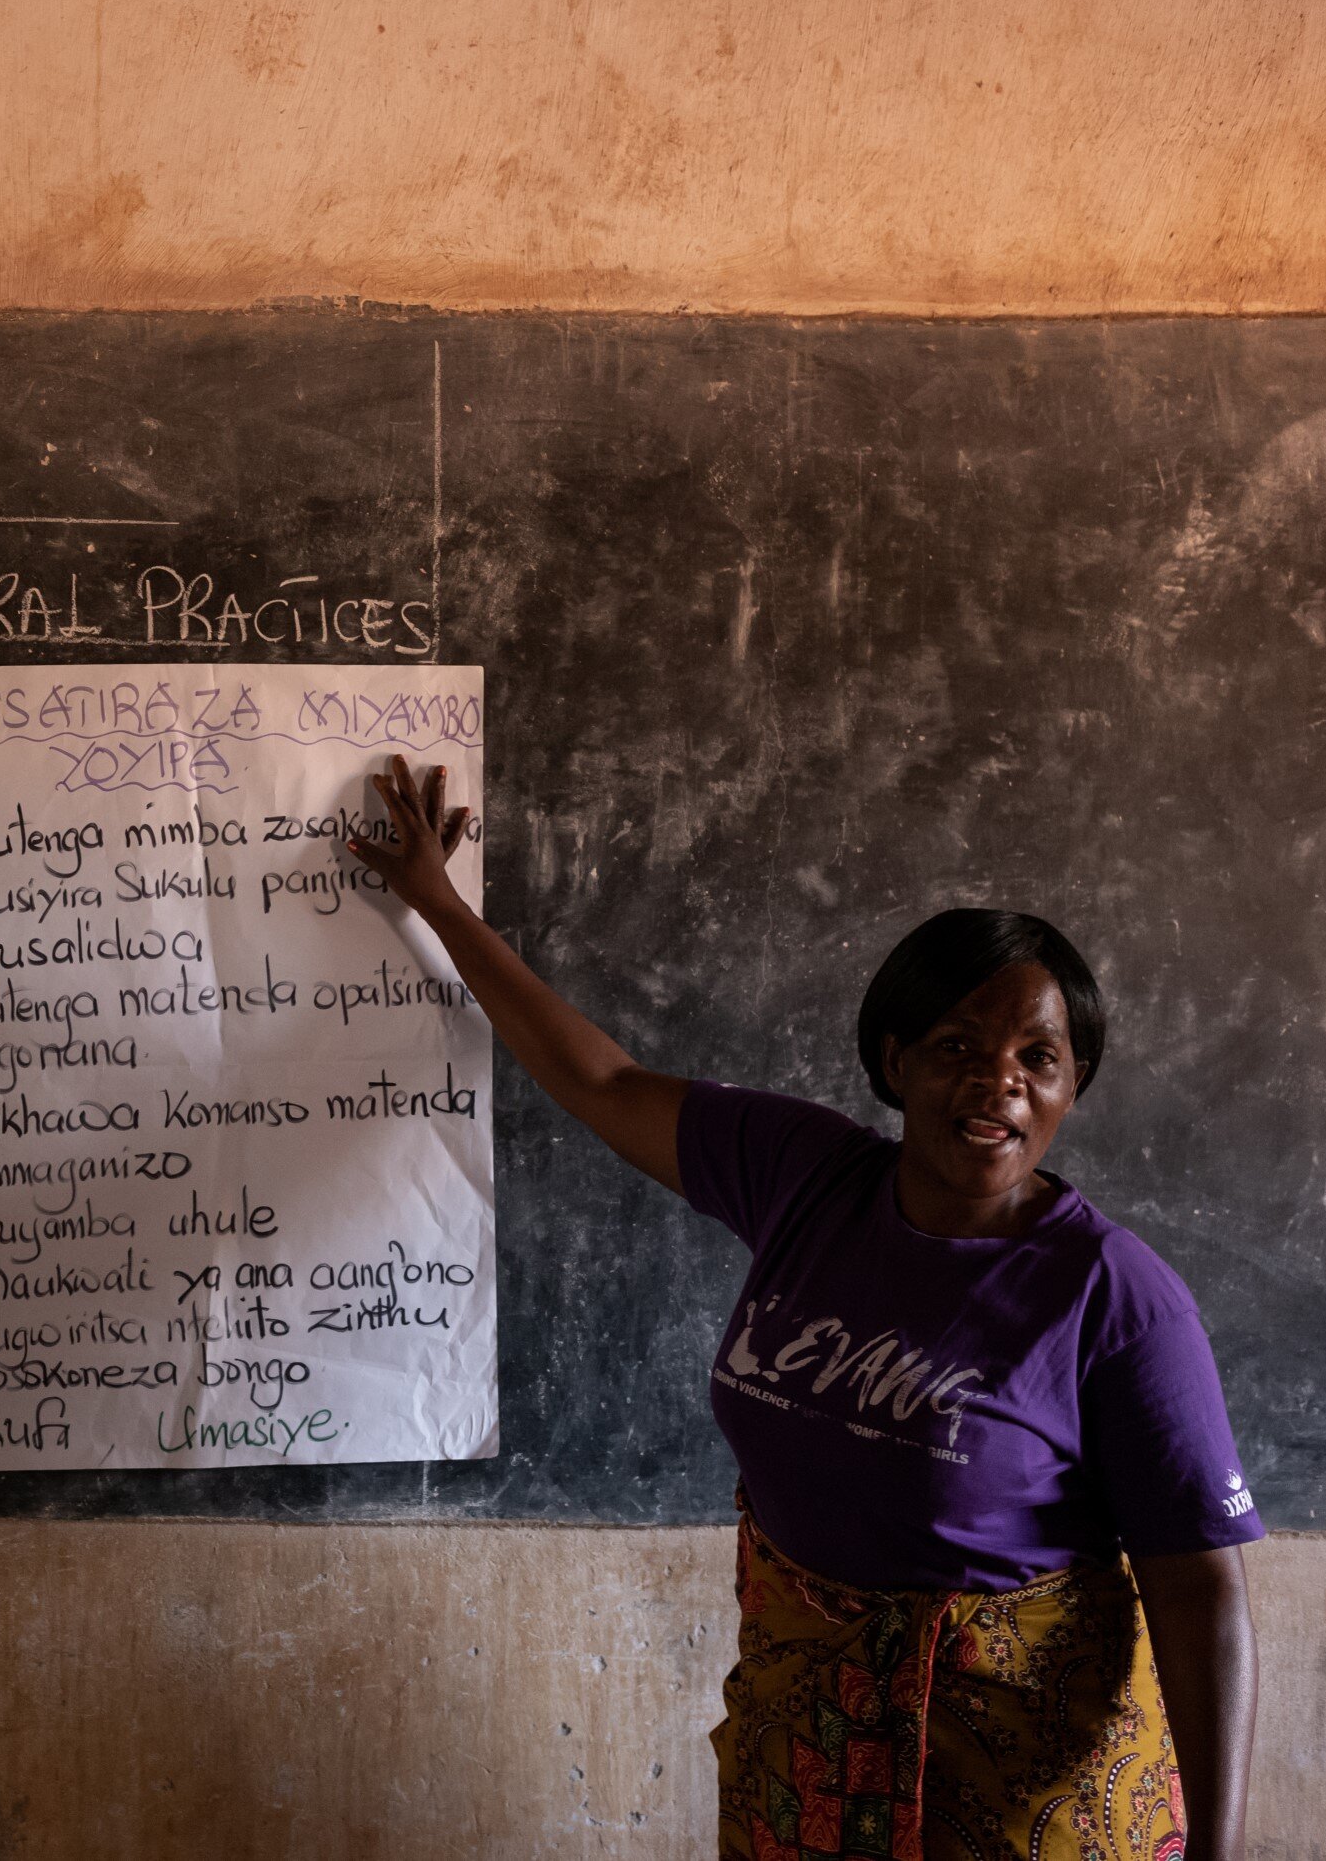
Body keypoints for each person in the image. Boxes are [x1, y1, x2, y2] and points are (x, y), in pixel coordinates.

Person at [347, 755, 1260, 1861]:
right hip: (808, 1749)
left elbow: (1198, 1586)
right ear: (895, 1059)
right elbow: (601, 1083)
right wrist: (439, 906)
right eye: (957, 1049)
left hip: (1021, 1786)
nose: (998, 1082)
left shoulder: (1115, 1298)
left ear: (1071, 1089)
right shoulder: (802, 1174)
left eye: (1038, 1059)